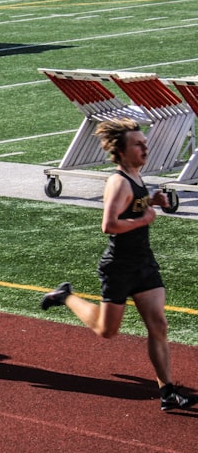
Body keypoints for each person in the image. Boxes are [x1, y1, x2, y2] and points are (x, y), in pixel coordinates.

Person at [41, 118, 196, 412]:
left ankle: (168, 391)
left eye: (144, 142)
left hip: (144, 263)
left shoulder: (137, 177)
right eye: (138, 143)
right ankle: (67, 296)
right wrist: (143, 218)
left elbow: (133, 205)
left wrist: (152, 201)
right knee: (107, 330)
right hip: (120, 267)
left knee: (159, 325)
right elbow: (109, 224)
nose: (145, 146)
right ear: (122, 151)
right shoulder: (117, 181)